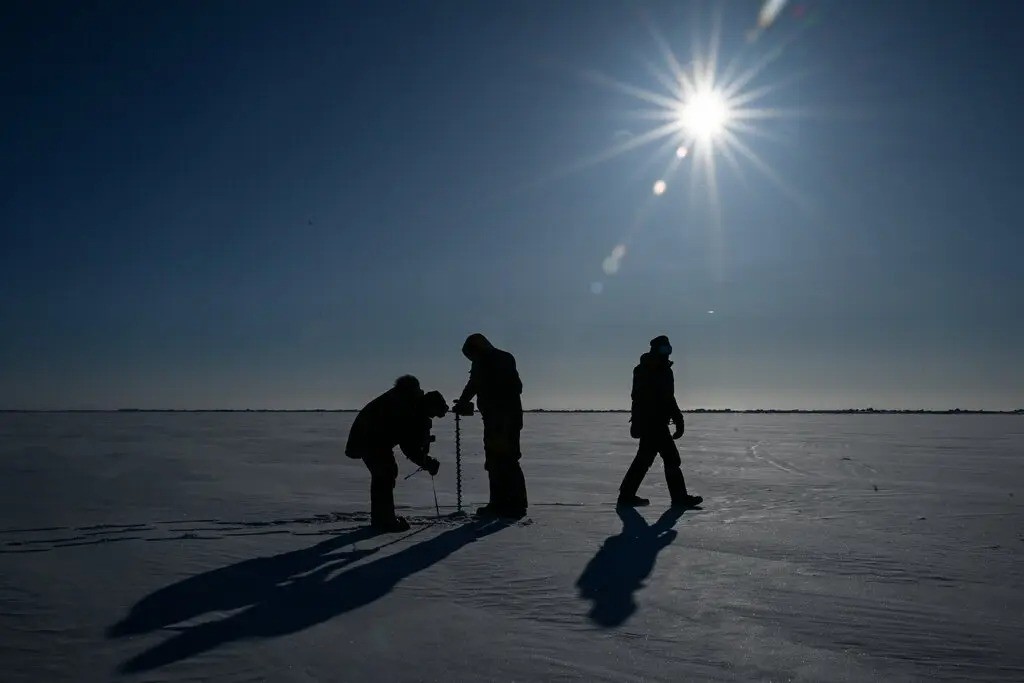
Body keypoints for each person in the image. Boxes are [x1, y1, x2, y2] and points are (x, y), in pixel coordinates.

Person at [345, 376, 449, 532]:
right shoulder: (406, 408)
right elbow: (409, 447)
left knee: (386, 473)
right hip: (369, 440)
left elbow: (410, 439)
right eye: (432, 414)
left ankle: (383, 518)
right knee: (385, 475)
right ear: (428, 406)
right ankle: (384, 521)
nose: (431, 417)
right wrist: (426, 462)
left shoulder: (411, 403)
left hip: (375, 439)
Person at [618, 335, 702, 508]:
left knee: (644, 459)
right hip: (652, 422)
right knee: (670, 458)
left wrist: (678, 418)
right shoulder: (646, 369)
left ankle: (626, 495)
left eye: (669, 349)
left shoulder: (664, 370)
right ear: (655, 349)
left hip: (657, 422)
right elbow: (642, 396)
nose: (667, 353)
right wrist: (672, 417)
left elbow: (669, 398)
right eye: (664, 349)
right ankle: (679, 498)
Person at [452, 333, 528, 518]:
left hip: (504, 420)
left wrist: (472, 398)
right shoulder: (487, 361)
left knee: (503, 460)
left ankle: (507, 504)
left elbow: (514, 387)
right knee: (499, 460)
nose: (472, 360)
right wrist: (464, 400)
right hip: (496, 419)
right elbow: (474, 384)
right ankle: (507, 503)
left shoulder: (497, 360)